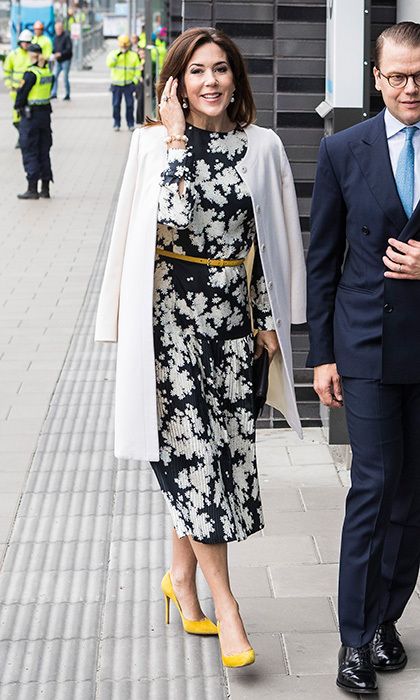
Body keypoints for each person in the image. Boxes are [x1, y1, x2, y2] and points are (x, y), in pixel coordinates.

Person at [95, 27, 306, 668]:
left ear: (236, 78)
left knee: (219, 462)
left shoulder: (261, 145)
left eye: (221, 70)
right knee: (196, 464)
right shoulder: (153, 146)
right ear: (175, 83)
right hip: (170, 330)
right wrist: (180, 145)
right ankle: (228, 605)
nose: (210, 82)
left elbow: (266, 241)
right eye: (196, 72)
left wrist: (268, 318)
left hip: (233, 329)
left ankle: (180, 580)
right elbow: (162, 222)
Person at [307, 21, 420, 696]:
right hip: (368, 346)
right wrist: (321, 355)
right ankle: (354, 641)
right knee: (375, 491)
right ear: (376, 78)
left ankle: (385, 619)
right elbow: (323, 261)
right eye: (400, 75)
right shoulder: (343, 149)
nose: (412, 87)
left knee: (414, 498)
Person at [15, 43, 54, 200]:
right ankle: (45, 188)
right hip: (45, 115)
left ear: (31, 55)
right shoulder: (46, 71)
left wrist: (17, 106)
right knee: (44, 151)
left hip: (31, 117)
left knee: (30, 150)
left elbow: (22, 95)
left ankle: (32, 189)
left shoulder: (31, 73)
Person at [3, 29, 33, 148]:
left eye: (28, 42)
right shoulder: (13, 55)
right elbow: (6, 71)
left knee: (28, 117)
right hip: (16, 91)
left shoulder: (32, 55)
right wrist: (10, 84)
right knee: (16, 119)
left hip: (30, 91)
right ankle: (22, 137)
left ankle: (23, 139)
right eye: (23, 42)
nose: (25, 44)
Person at [106, 35, 141, 132]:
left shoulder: (133, 55)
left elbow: (138, 69)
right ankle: (116, 123)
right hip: (116, 84)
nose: (124, 47)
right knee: (116, 105)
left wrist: (134, 81)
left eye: (126, 45)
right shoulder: (114, 54)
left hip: (129, 85)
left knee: (130, 105)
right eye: (123, 45)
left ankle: (130, 123)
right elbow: (109, 64)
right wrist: (117, 56)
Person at [51, 20, 73, 100]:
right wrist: (53, 54)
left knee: (65, 77)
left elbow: (69, 49)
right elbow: (54, 48)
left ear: (62, 28)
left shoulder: (66, 37)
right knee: (54, 76)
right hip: (58, 60)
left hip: (65, 60)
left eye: (59, 28)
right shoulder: (55, 38)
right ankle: (54, 93)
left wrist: (60, 54)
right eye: (57, 29)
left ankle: (67, 94)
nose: (58, 30)